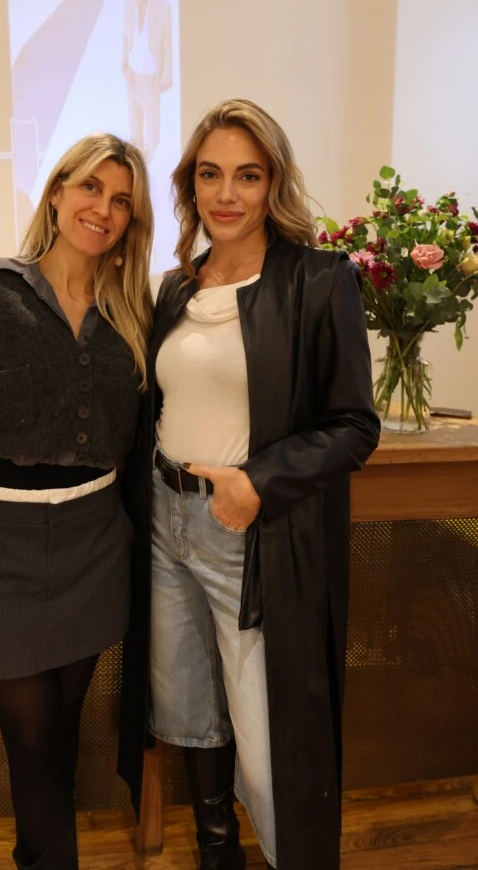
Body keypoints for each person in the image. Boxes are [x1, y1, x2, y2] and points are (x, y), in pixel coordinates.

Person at [118, 99, 380, 870]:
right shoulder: (175, 289)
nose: (225, 194)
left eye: (247, 175)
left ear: (273, 184)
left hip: (248, 535)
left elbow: (353, 426)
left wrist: (258, 481)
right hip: (165, 525)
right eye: (209, 175)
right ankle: (216, 854)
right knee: (187, 711)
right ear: (189, 185)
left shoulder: (318, 281)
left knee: (268, 748)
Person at [0, 133, 153, 870]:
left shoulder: (132, 313)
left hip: (95, 547)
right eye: (90, 188)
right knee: (30, 737)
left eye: (121, 201)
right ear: (56, 193)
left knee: (62, 732)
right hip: (1, 549)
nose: (103, 209)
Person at [122, 0, 173, 163]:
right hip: (132, 78)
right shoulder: (129, 7)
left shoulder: (162, 7)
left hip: (152, 80)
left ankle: (153, 175)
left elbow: (167, 46)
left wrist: (164, 81)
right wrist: (125, 68)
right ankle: (136, 175)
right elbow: (125, 41)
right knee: (134, 137)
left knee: (153, 137)